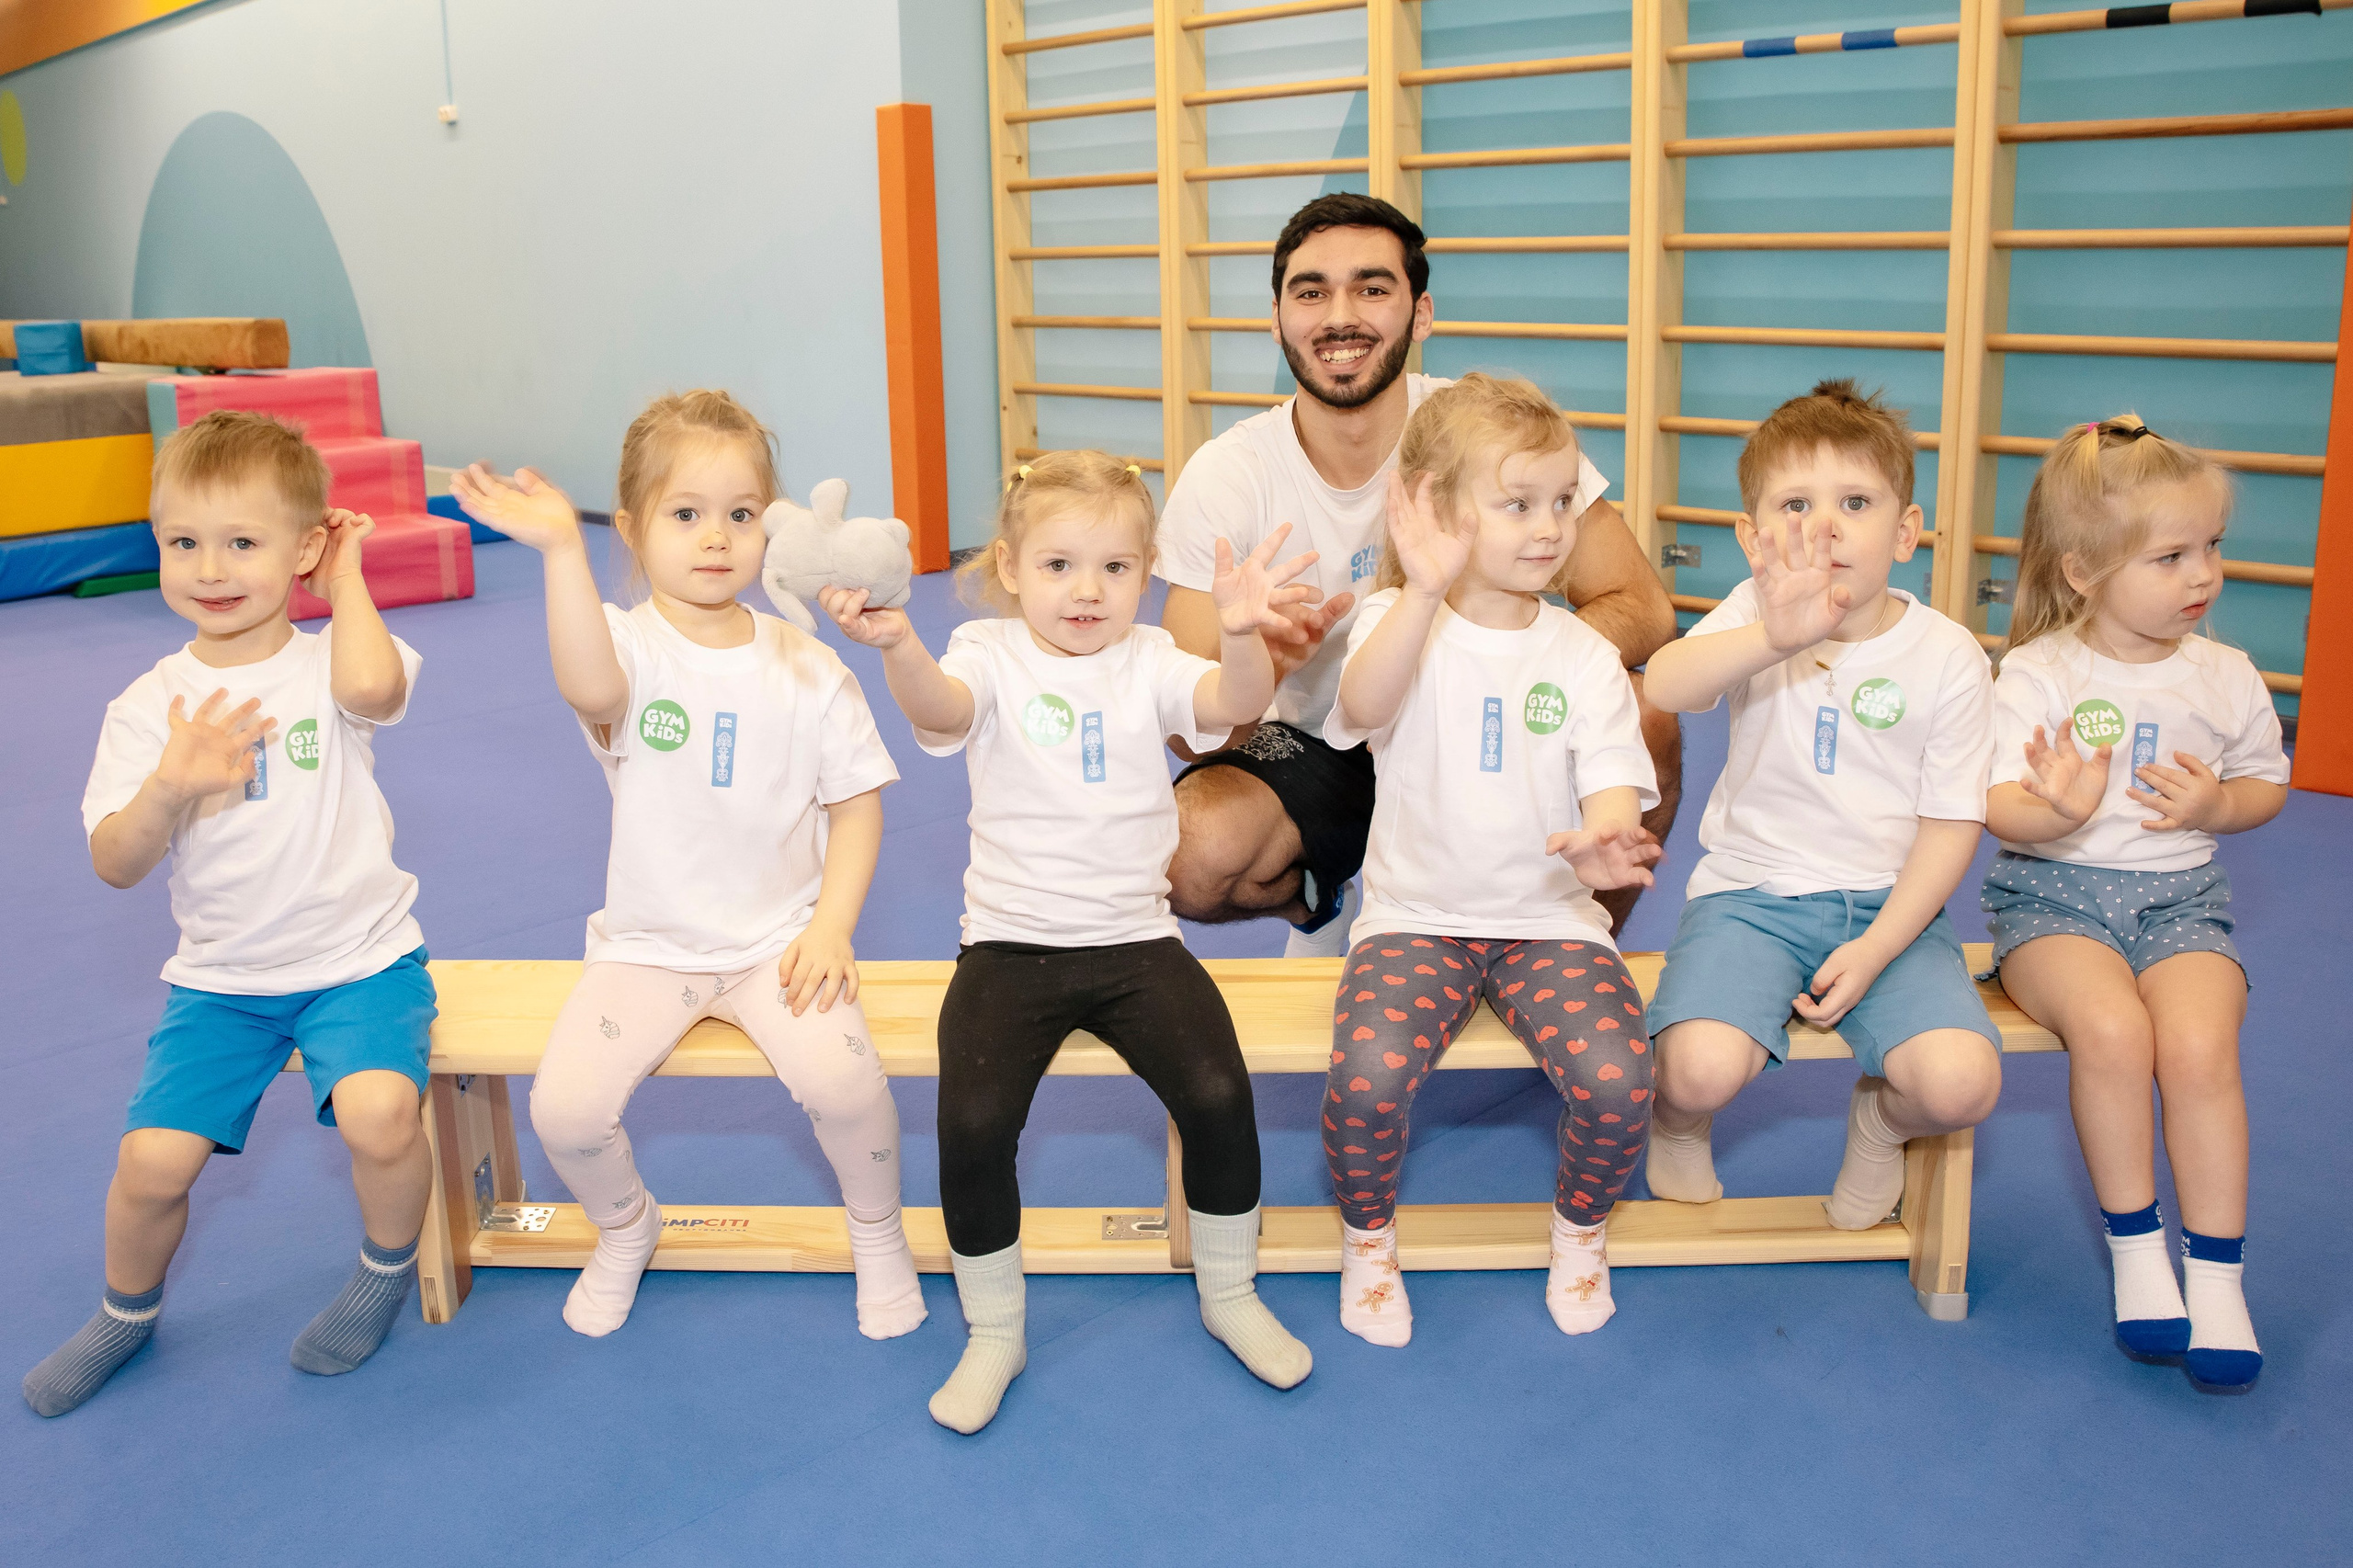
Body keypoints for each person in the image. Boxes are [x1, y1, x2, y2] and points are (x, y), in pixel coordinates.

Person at [824, 450, 1316, 1432]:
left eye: (1115, 568)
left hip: (1136, 940)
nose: (1086, 591)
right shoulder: (985, 652)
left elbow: (1236, 705)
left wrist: (1242, 629)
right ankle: (993, 1328)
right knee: (969, 1127)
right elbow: (942, 711)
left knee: (1220, 1093)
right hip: (1009, 946)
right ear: (1008, 567)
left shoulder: (1150, 662)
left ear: (1143, 573)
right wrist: (897, 650)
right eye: (1057, 566)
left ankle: (1229, 1294)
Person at [449, 392, 922, 1341]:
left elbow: (857, 804)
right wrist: (558, 555)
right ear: (631, 528)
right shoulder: (625, 646)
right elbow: (587, 683)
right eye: (685, 512)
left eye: (741, 514)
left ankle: (878, 1229)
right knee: (568, 1110)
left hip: (778, 941)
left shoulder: (807, 664)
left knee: (846, 1084)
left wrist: (830, 925)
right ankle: (627, 1225)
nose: (717, 538)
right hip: (649, 945)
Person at [25, 412, 437, 1415]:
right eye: (183, 541)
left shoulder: (331, 660)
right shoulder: (147, 704)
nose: (209, 567)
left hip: (360, 959)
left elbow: (377, 689)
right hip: (224, 981)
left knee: (383, 1114)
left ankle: (384, 1266)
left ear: (300, 548)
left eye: (243, 542)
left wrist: (343, 578)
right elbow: (114, 861)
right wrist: (169, 787)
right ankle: (125, 1311)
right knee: (151, 1162)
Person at [1154, 192, 1680, 953]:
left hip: (1485, 725)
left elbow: (1641, 607)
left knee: (1650, 715)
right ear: (1277, 321)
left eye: (1372, 287)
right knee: (1189, 854)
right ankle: (1325, 886)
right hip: (1319, 741)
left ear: (1420, 313)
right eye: (1311, 292)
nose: (1341, 315)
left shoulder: (1486, 435)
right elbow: (1188, 733)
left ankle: (1574, 940)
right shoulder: (1230, 475)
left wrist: (1494, 663)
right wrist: (1259, 661)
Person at [1320, 374, 1662, 1346]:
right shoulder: (1395, 615)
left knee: (1617, 1078)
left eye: (1560, 501)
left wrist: (1602, 838)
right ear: (1435, 505)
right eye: (1516, 503)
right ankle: (1368, 1242)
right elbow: (1365, 709)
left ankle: (1580, 1233)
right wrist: (1423, 590)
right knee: (1367, 1079)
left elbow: (1608, 776)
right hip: (1414, 915)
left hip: (1547, 918)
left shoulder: (1581, 653)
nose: (1550, 527)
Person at [1640, 381, 2003, 1236]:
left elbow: (1954, 823)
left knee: (1959, 1082)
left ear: (1906, 532)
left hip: (1891, 907)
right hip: (1750, 901)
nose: (1827, 526)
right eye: (1796, 504)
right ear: (1752, 537)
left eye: (1856, 502)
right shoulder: (1752, 615)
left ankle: (1878, 1126)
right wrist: (1775, 636)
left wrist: (1878, 948)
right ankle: (1678, 1122)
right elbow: (1665, 683)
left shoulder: (1950, 655)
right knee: (1695, 1070)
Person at [1980, 417, 2285, 1389]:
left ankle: (2220, 1272)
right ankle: (2136, 1246)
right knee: (2112, 1031)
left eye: (2211, 547)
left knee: (2198, 1045)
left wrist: (2217, 804)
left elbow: (2264, 786)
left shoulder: (2224, 674)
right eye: (2169, 555)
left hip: (2179, 900)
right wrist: (2050, 808)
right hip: (2050, 901)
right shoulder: (2038, 672)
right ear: (2083, 571)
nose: (2201, 574)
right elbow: (1992, 809)